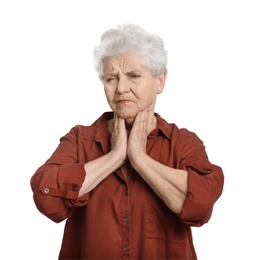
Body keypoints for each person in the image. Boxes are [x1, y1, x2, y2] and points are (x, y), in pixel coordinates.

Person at [30, 24, 224, 259]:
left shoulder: (183, 143)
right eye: (112, 78)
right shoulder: (80, 140)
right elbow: (46, 197)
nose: (121, 88)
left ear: (160, 81)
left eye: (134, 76)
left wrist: (139, 159)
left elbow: (201, 204)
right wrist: (114, 157)